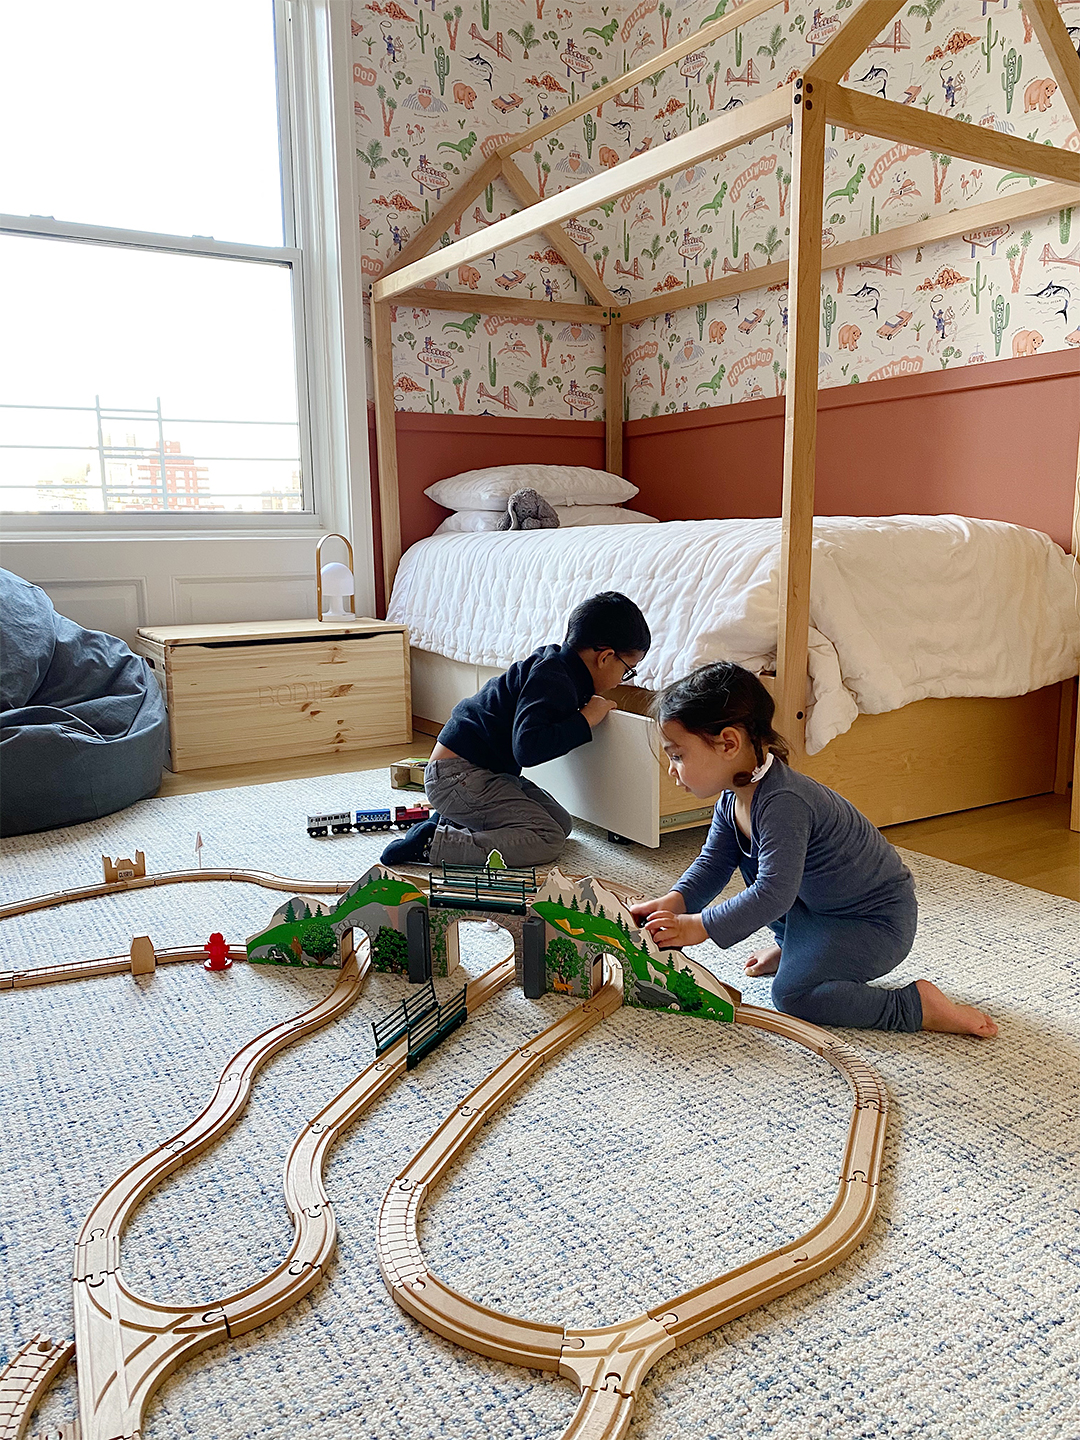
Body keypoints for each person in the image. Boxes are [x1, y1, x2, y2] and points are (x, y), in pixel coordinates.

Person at [629, 662, 997, 1037]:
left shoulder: (784, 802)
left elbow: (774, 895)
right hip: (823, 909)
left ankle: (917, 1007)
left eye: (678, 755)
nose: (672, 770)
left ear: (728, 743)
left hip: (874, 923)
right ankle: (797, 949)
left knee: (792, 994)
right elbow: (713, 863)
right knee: (758, 870)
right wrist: (673, 902)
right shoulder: (734, 795)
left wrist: (701, 926)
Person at [380, 591, 651, 869]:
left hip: (483, 773)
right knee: (547, 839)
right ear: (605, 657)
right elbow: (528, 748)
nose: (623, 680)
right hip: (459, 776)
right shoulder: (554, 680)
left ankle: (454, 819)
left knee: (561, 823)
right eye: (628, 670)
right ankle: (434, 844)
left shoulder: (560, 667)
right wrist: (585, 720)